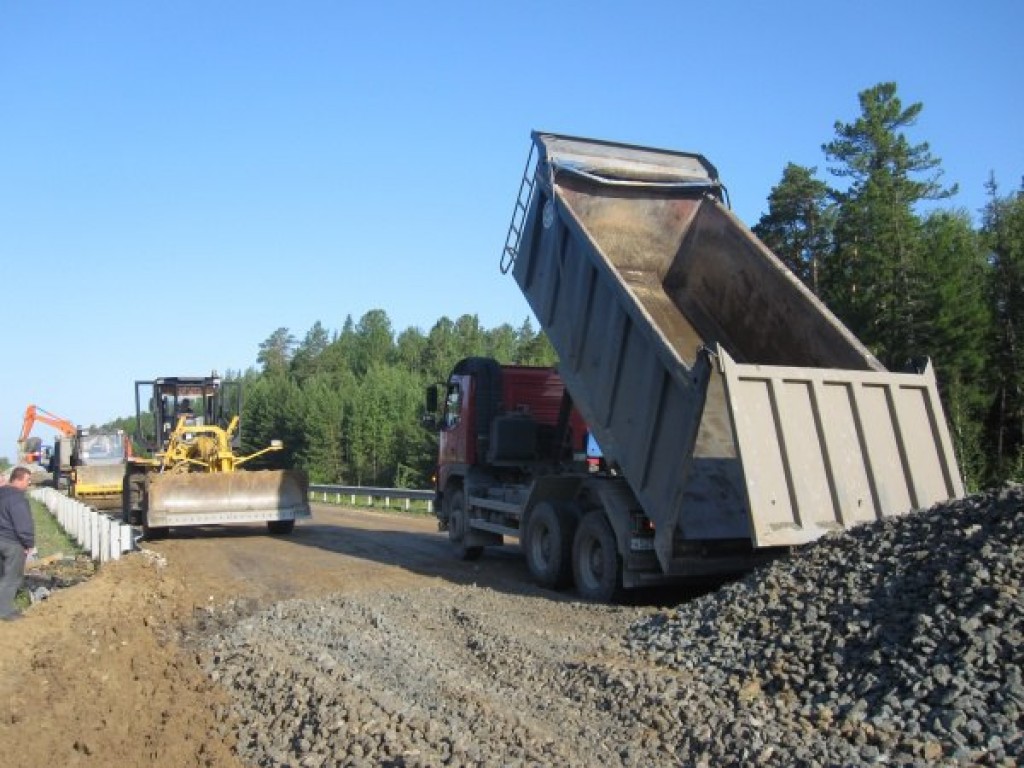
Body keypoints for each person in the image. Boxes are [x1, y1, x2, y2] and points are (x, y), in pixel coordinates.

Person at [0, 467, 35, 621]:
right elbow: (23, 524)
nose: (29, 483)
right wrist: (28, 543)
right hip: (12, 542)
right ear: (19, 479)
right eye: (28, 480)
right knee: (12, 577)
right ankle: (5, 611)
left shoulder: (2, 494)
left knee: (2, 574)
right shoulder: (17, 498)